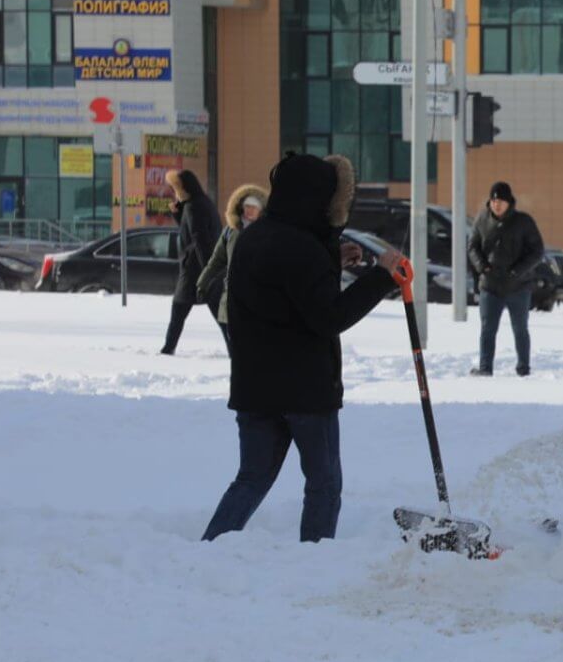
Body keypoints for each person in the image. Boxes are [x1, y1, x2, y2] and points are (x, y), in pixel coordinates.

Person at [203, 154, 403, 544]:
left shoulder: (254, 238)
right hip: (306, 392)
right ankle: (315, 556)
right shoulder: (302, 249)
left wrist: (331, 257)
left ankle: (211, 548)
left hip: (255, 387)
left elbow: (288, 289)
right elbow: (329, 315)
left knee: (252, 477)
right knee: (323, 483)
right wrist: (381, 277)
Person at [467, 182, 544, 377]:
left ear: (509, 202)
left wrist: (517, 271)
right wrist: (482, 266)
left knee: (520, 328)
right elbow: (472, 247)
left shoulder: (523, 222)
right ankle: (485, 367)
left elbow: (537, 251)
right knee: (487, 329)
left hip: (518, 286)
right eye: (493, 201)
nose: (496, 205)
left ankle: (523, 368)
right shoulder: (482, 219)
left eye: (500, 201)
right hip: (490, 285)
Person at [161, 169, 224, 354]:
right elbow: (191, 230)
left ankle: (167, 350)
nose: (174, 193)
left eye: (174, 188)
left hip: (194, 271)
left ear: (183, 188)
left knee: (179, 310)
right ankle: (236, 349)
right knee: (219, 316)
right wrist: (177, 213)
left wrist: (208, 271)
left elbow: (199, 239)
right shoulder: (202, 203)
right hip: (201, 269)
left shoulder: (194, 207)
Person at [196, 183, 268, 332]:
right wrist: (202, 282)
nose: (249, 210)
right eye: (247, 206)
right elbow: (216, 260)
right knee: (234, 344)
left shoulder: (267, 232)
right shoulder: (230, 231)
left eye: (253, 207)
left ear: (261, 210)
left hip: (258, 298)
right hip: (231, 297)